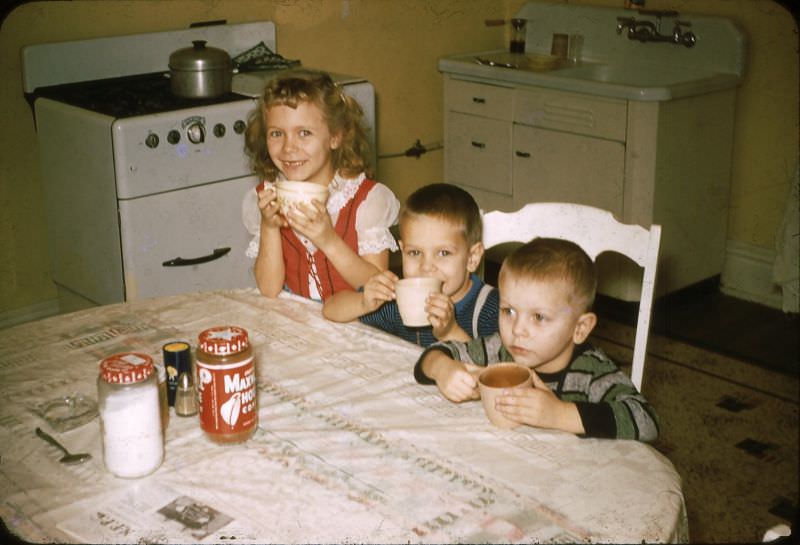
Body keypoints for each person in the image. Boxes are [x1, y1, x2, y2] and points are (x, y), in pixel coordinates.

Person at [413, 237, 659, 441]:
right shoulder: (499, 349)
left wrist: (559, 414)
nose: (518, 329)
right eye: (508, 311)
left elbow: (647, 420)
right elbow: (436, 354)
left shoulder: (591, 371)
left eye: (539, 317)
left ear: (580, 328)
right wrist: (443, 369)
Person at [242, 69, 399, 301]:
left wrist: (327, 239)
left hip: (355, 323)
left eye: (304, 133)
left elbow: (378, 288)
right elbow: (269, 289)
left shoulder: (367, 200)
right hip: (299, 322)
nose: (288, 147)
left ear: (335, 136)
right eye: (276, 133)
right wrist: (269, 227)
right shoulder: (264, 197)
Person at [323, 183, 499, 347]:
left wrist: (450, 332)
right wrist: (363, 302)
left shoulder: (491, 309)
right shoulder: (399, 301)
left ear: (472, 258)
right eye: (414, 253)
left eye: (443, 253)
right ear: (402, 249)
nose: (426, 267)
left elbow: (499, 372)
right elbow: (330, 309)